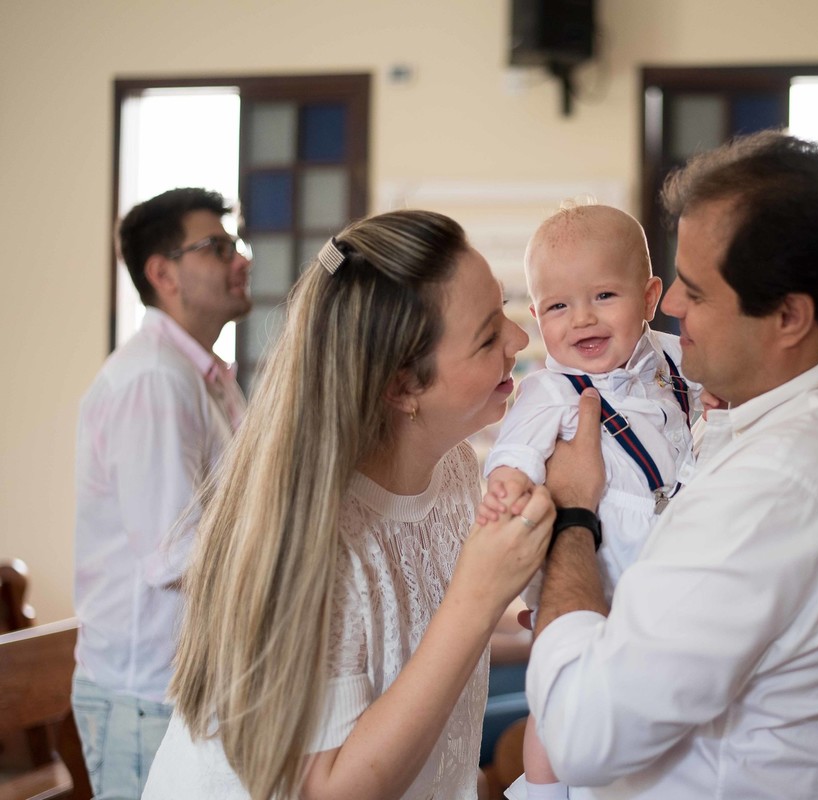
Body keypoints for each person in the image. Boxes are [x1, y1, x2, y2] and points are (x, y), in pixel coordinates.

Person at [522, 130, 818, 799]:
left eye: (698, 291)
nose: (673, 308)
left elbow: (581, 732)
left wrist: (572, 520)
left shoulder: (776, 483)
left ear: (789, 317)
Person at [142, 210, 554, 800]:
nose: (519, 339)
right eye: (489, 335)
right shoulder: (316, 541)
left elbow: (413, 660)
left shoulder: (458, 471)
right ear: (402, 387)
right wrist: (480, 596)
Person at [478, 204, 700, 800]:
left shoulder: (677, 362)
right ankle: (544, 788)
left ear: (650, 297)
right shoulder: (549, 390)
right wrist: (507, 485)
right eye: (557, 306)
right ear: (535, 314)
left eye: (604, 295)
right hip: (590, 570)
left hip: (662, 563)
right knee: (562, 691)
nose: (581, 319)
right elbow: (516, 452)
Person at [72, 187, 252, 798]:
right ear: (162, 272)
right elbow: (176, 554)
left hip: (190, 686)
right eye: (218, 246)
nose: (240, 259)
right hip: (147, 693)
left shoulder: (206, 375)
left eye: (236, 244)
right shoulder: (154, 379)